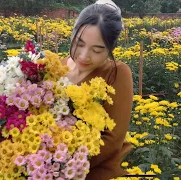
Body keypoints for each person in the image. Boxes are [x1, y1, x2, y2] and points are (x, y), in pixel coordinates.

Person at [60, 0, 133, 179]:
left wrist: (64, 170)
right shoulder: (55, 68)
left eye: (97, 50)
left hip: (95, 172)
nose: (84, 56)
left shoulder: (116, 74)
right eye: (79, 43)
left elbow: (113, 140)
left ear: (110, 49)